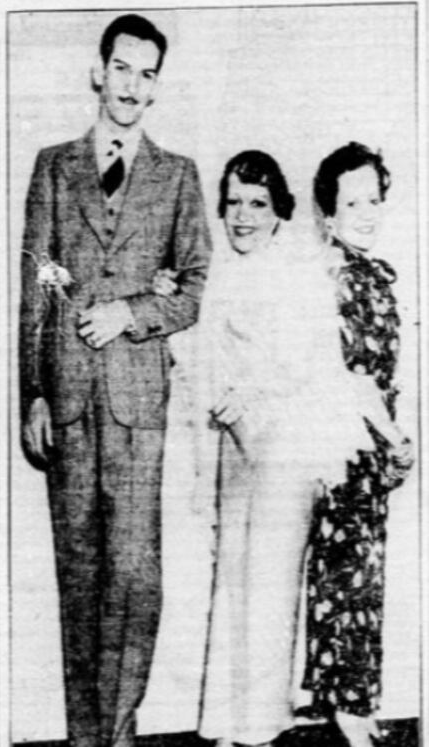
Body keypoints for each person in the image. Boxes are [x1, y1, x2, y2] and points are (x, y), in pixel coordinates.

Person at [154, 149, 403, 747]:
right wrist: (170, 295)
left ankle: (261, 725)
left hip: (284, 444)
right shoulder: (220, 270)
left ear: (279, 210)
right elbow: (196, 351)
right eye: (234, 203)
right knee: (231, 580)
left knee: (268, 585)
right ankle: (226, 725)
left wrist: (249, 392)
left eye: (257, 205)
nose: (243, 216)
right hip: (232, 442)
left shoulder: (295, 269)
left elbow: (312, 361)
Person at [19, 13, 211, 747]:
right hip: (66, 405)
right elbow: (36, 287)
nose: (133, 84)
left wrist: (130, 311)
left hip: (138, 408)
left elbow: (191, 289)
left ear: (157, 87)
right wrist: (32, 393)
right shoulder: (53, 167)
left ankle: (122, 729)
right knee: (80, 575)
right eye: (122, 68)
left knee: (134, 577)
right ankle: (82, 735)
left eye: (147, 72)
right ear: (99, 73)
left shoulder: (178, 177)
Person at [302, 142, 414, 747]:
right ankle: (348, 710)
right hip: (344, 444)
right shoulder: (339, 275)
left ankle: (354, 704)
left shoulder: (369, 272)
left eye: (374, 198)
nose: (367, 212)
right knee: (347, 577)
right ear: (328, 213)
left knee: (359, 575)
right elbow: (354, 378)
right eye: (353, 202)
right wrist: (397, 440)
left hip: (367, 449)